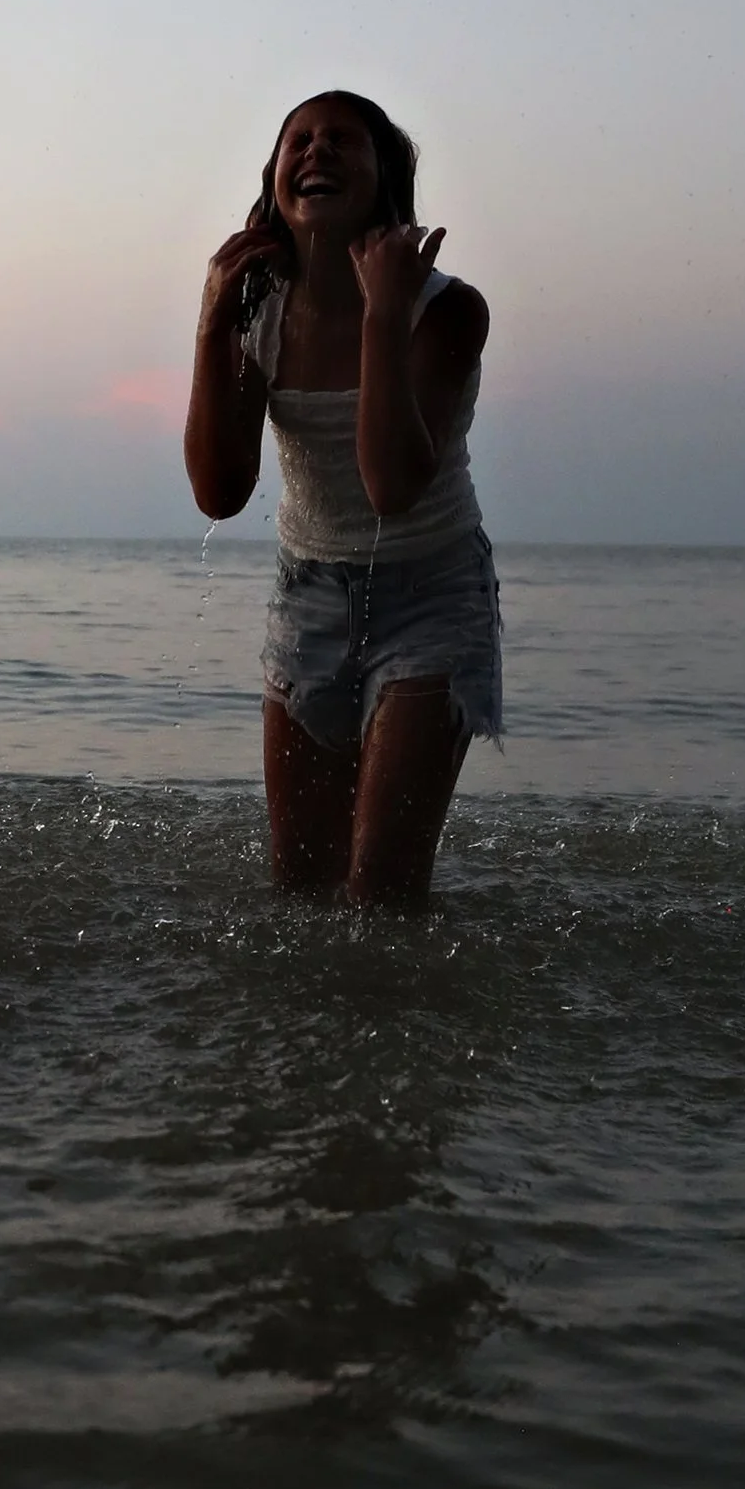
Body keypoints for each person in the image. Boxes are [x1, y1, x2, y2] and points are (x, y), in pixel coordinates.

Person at [182, 93, 499, 909]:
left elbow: (391, 487)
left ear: (384, 177)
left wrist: (384, 314)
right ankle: (307, 1039)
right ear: (276, 179)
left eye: (342, 142)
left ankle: (410, 1030)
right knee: (300, 887)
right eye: (300, 140)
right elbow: (219, 492)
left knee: (382, 896)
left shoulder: (445, 309)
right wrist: (213, 321)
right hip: (309, 596)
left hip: (430, 596)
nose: (317, 153)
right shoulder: (262, 313)